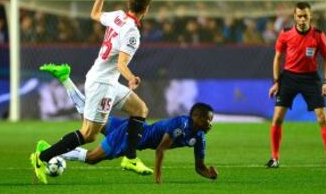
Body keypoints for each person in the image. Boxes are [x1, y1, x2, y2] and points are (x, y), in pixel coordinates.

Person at [31, 0, 153, 184]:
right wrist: (132, 79)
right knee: (88, 134)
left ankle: (130, 158)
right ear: (146, 10)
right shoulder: (132, 32)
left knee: (140, 110)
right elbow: (121, 64)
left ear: (129, 4)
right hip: (102, 84)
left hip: (108, 81)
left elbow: (95, 13)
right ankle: (42, 157)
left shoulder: (117, 16)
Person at [37, 64, 217, 184]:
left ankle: (65, 79)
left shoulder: (200, 137)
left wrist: (208, 173)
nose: (210, 123)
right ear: (195, 117)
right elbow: (161, 149)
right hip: (132, 137)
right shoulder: (182, 125)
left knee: (90, 117)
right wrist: (158, 179)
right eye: (207, 119)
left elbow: (199, 166)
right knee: (92, 157)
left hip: (133, 128)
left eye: (211, 120)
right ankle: (50, 151)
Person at [266, 2, 326, 168]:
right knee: (277, 118)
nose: (303, 19)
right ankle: (274, 158)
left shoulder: (319, 35)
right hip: (289, 78)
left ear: (310, 16)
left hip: (310, 79)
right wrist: (277, 82)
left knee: (322, 118)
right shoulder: (285, 34)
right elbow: (277, 58)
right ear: (294, 17)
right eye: (299, 16)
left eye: (305, 15)